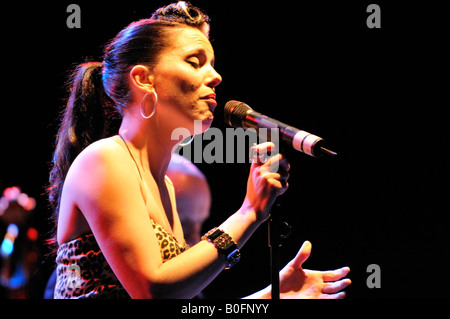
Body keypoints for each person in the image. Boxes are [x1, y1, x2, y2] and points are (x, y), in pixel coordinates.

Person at [48, 1, 350, 299]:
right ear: (143, 78)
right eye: (195, 62)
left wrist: (271, 298)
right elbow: (153, 291)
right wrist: (249, 212)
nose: (215, 77)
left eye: (213, 65)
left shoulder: (164, 185)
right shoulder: (104, 160)